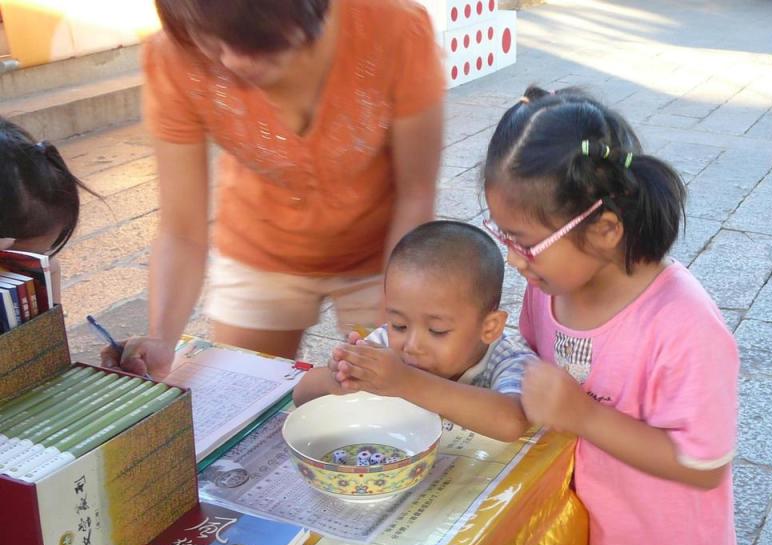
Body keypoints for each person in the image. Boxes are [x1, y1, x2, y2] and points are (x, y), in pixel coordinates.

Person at [482, 87, 740, 545]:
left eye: (525, 242)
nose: (514, 261)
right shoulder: (550, 290)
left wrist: (582, 415)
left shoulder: (685, 327)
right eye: (502, 236)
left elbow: (703, 463)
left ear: (603, 228)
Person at [104, 0, 445, 379]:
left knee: (393, 393)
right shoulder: (174, 55)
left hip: (383, 249)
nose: (233, 62)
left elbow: (416, 193)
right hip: (258, 243)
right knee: (240, 388)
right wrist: (161, 338)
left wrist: (395, 319)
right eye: (213, 43)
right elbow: (181, 230)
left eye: (258, 42)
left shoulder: (394, 27)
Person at [293, 221, 534, 442]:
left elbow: (512, 422)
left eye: (437, 330)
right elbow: (301, 394)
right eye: (399, 324)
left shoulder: (509, 359)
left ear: (489, 327)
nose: (412, 345)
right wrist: (338, 378)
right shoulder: (386, 343)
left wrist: (406, 382)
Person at [0, 116, 94, 300]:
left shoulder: (45, 270)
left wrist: (50, 298)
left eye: (41, 256)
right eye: (16, 261)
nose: (38, 264)